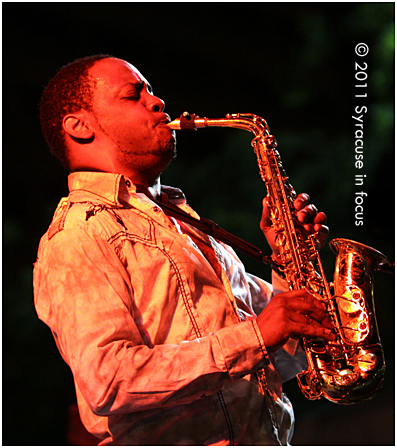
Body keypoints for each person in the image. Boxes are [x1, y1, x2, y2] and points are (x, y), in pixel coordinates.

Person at [34, 55, 332, 446]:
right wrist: (256, 335)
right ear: (80, 126)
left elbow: (281, 357)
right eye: (133, 95)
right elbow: (108, 381)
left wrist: (290, 257)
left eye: (152, 91)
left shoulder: (186, 225)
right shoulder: (80, 234)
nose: (157, 102)